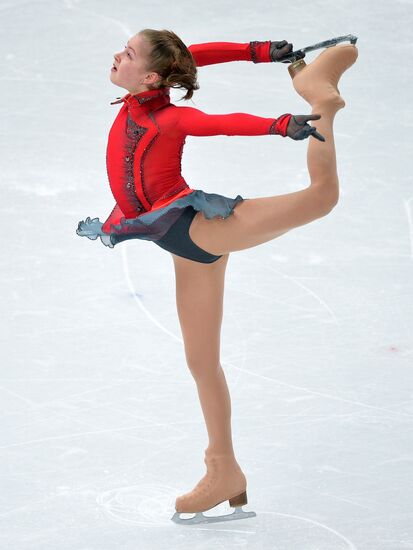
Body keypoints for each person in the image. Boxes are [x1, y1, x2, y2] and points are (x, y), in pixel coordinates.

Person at [76, 29, 358, 524]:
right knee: (201, 362)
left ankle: (322, 98)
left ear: (149, 76)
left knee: (321, 197)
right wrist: (258, 52)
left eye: (128, 53)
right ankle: (223, 469)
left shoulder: (171, 117)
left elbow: (220, 124)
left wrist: (278, 125)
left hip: (199, 230)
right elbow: (193, 56)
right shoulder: (144, 96)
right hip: (181, 246)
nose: (117, 55)